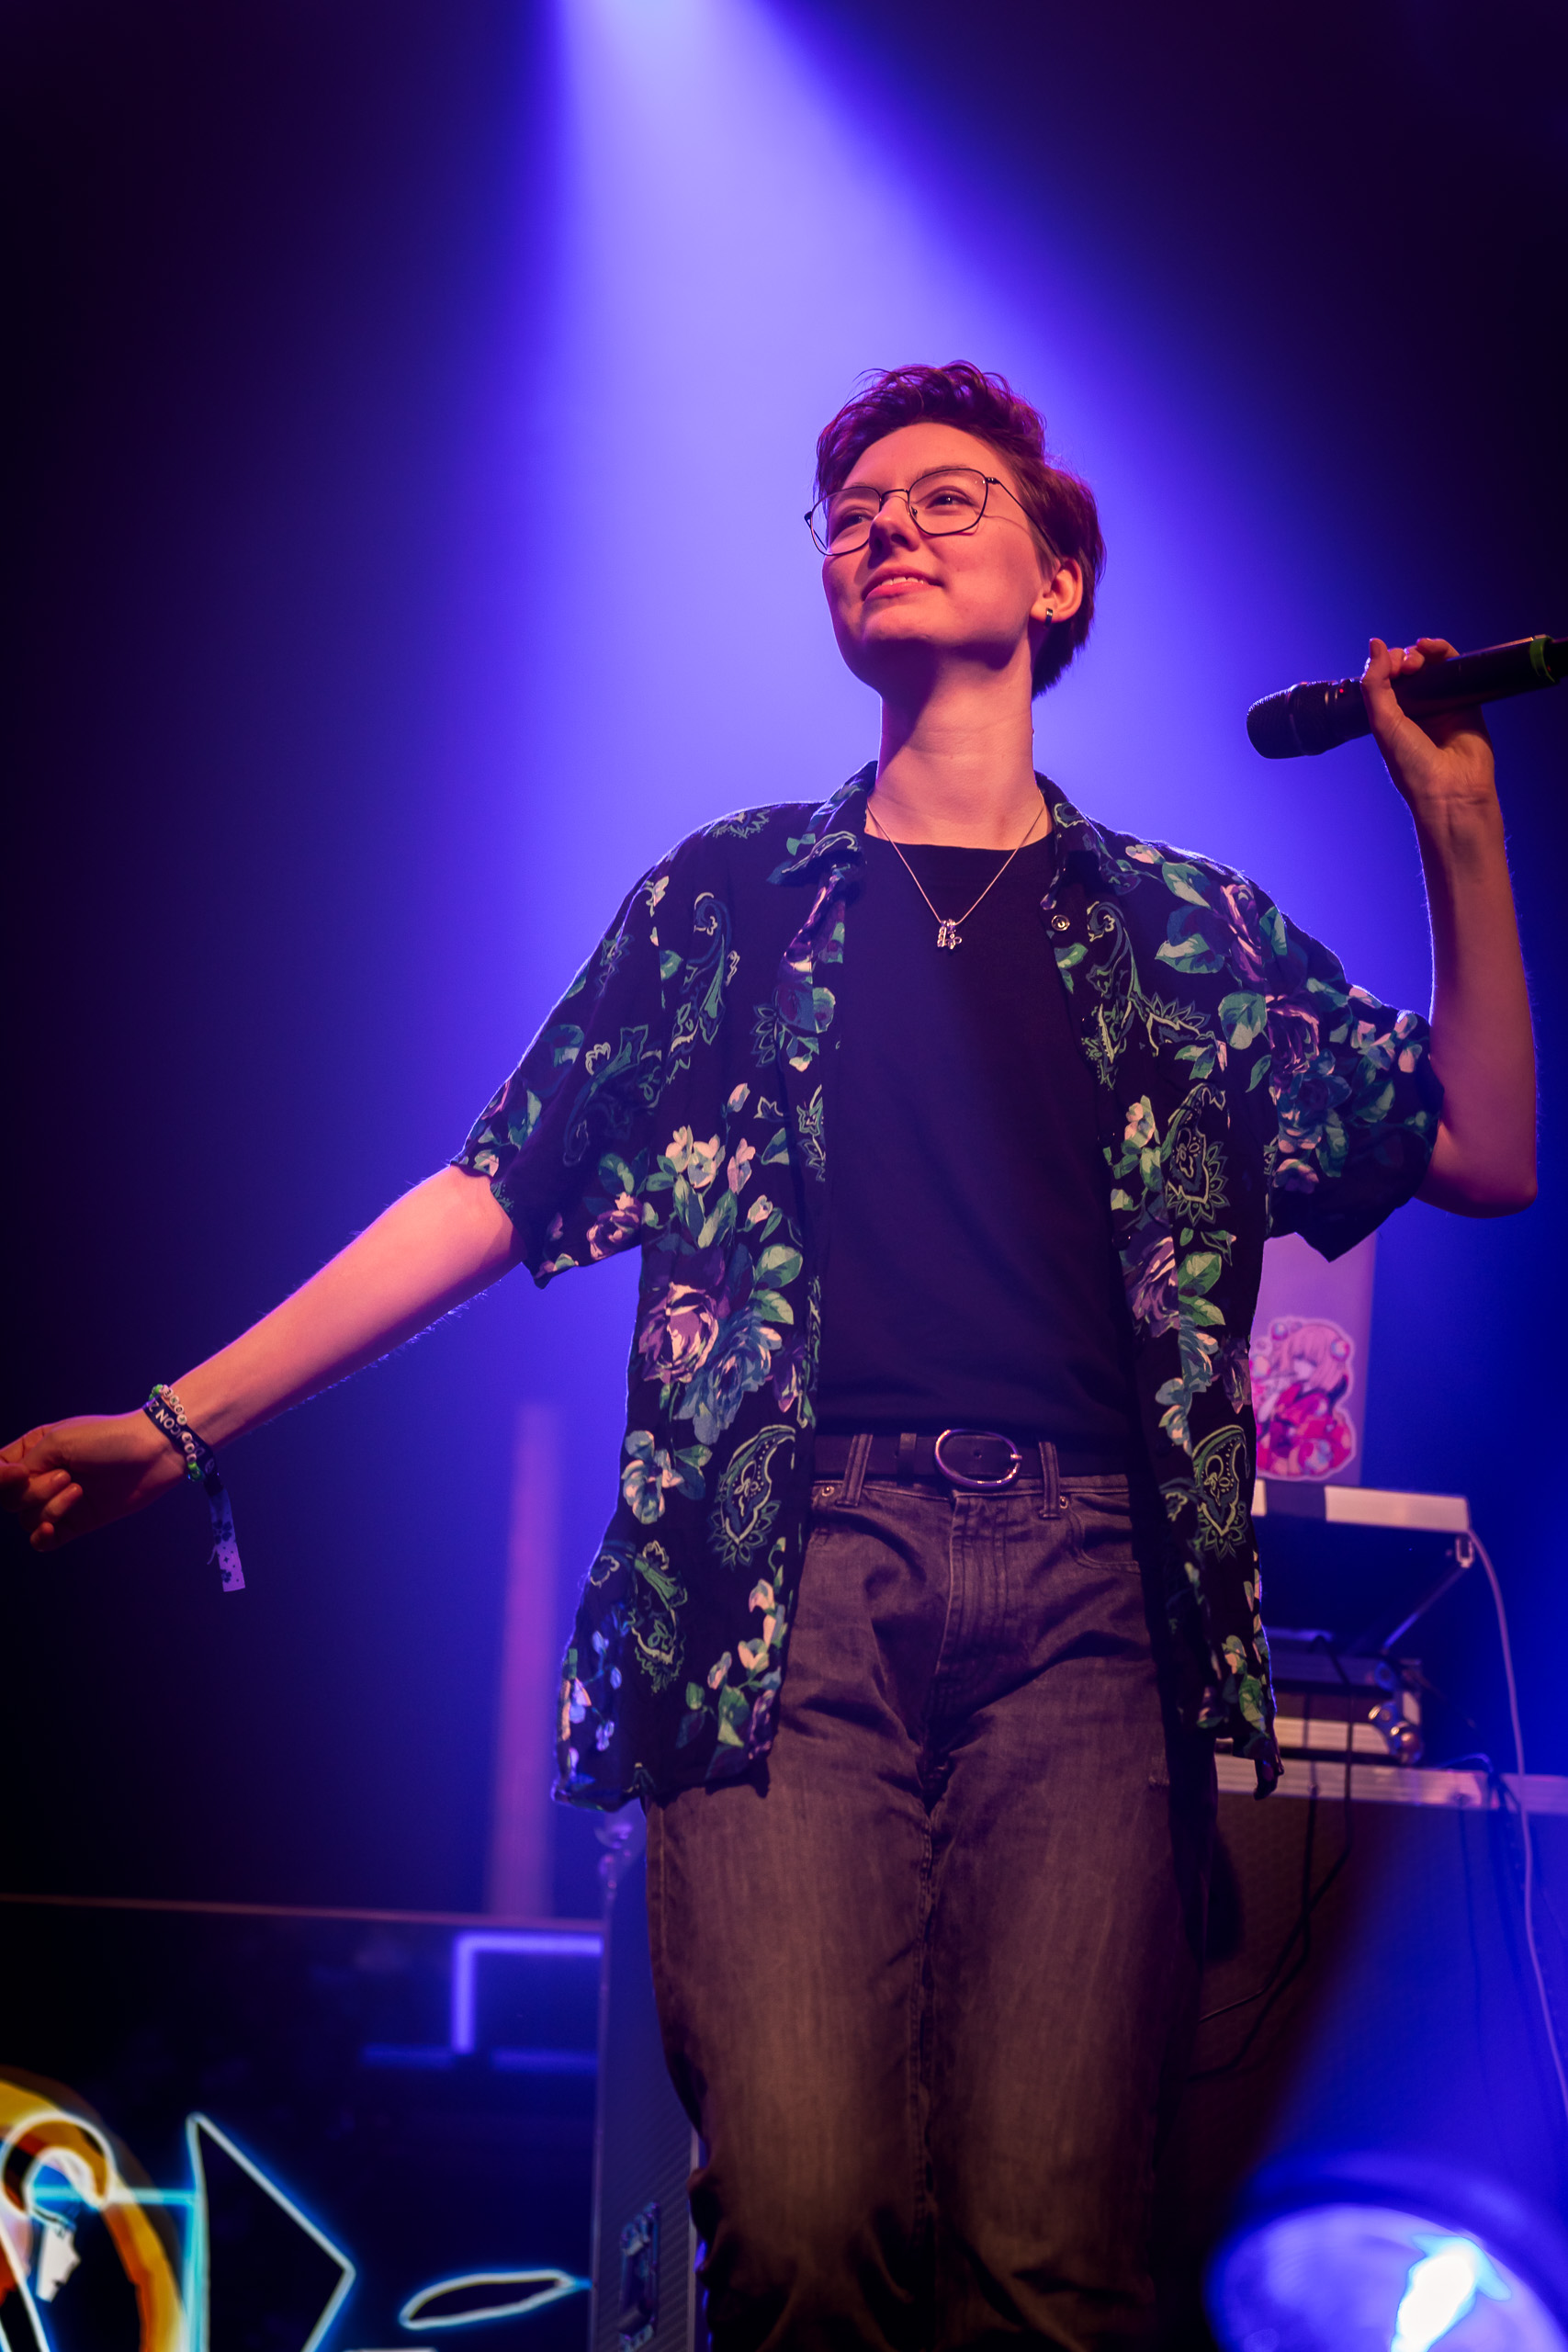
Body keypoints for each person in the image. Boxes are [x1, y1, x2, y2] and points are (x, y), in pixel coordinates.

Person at [1, 363, 1536, 2347]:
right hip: (778, 1591)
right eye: (850, 512)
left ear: (1059, 577)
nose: (884, 527)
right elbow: (492, 1187)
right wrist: (178, 1420)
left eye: (945, 497)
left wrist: (1457, 820)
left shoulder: (1182, 931)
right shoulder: (727, 902)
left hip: (1097, 1612)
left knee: (1047, 2262)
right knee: (803, 2224)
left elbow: (1479, 1146)